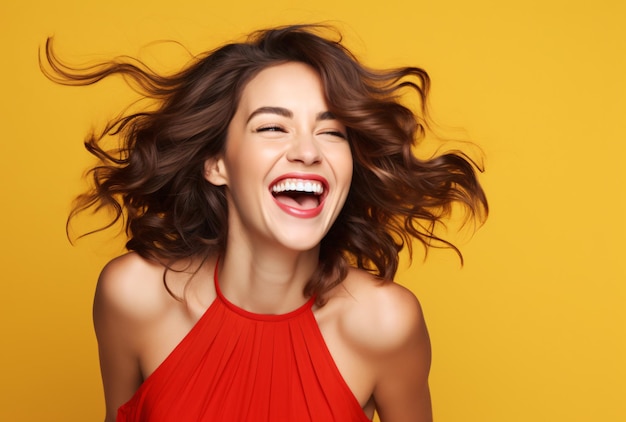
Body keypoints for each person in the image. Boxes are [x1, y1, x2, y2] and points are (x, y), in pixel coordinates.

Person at [43, 24, 487, 422]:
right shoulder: (134, 296)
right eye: (273, 128)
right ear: (216, 163)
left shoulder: (385, 323)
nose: (308, 152)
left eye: (331, 132)